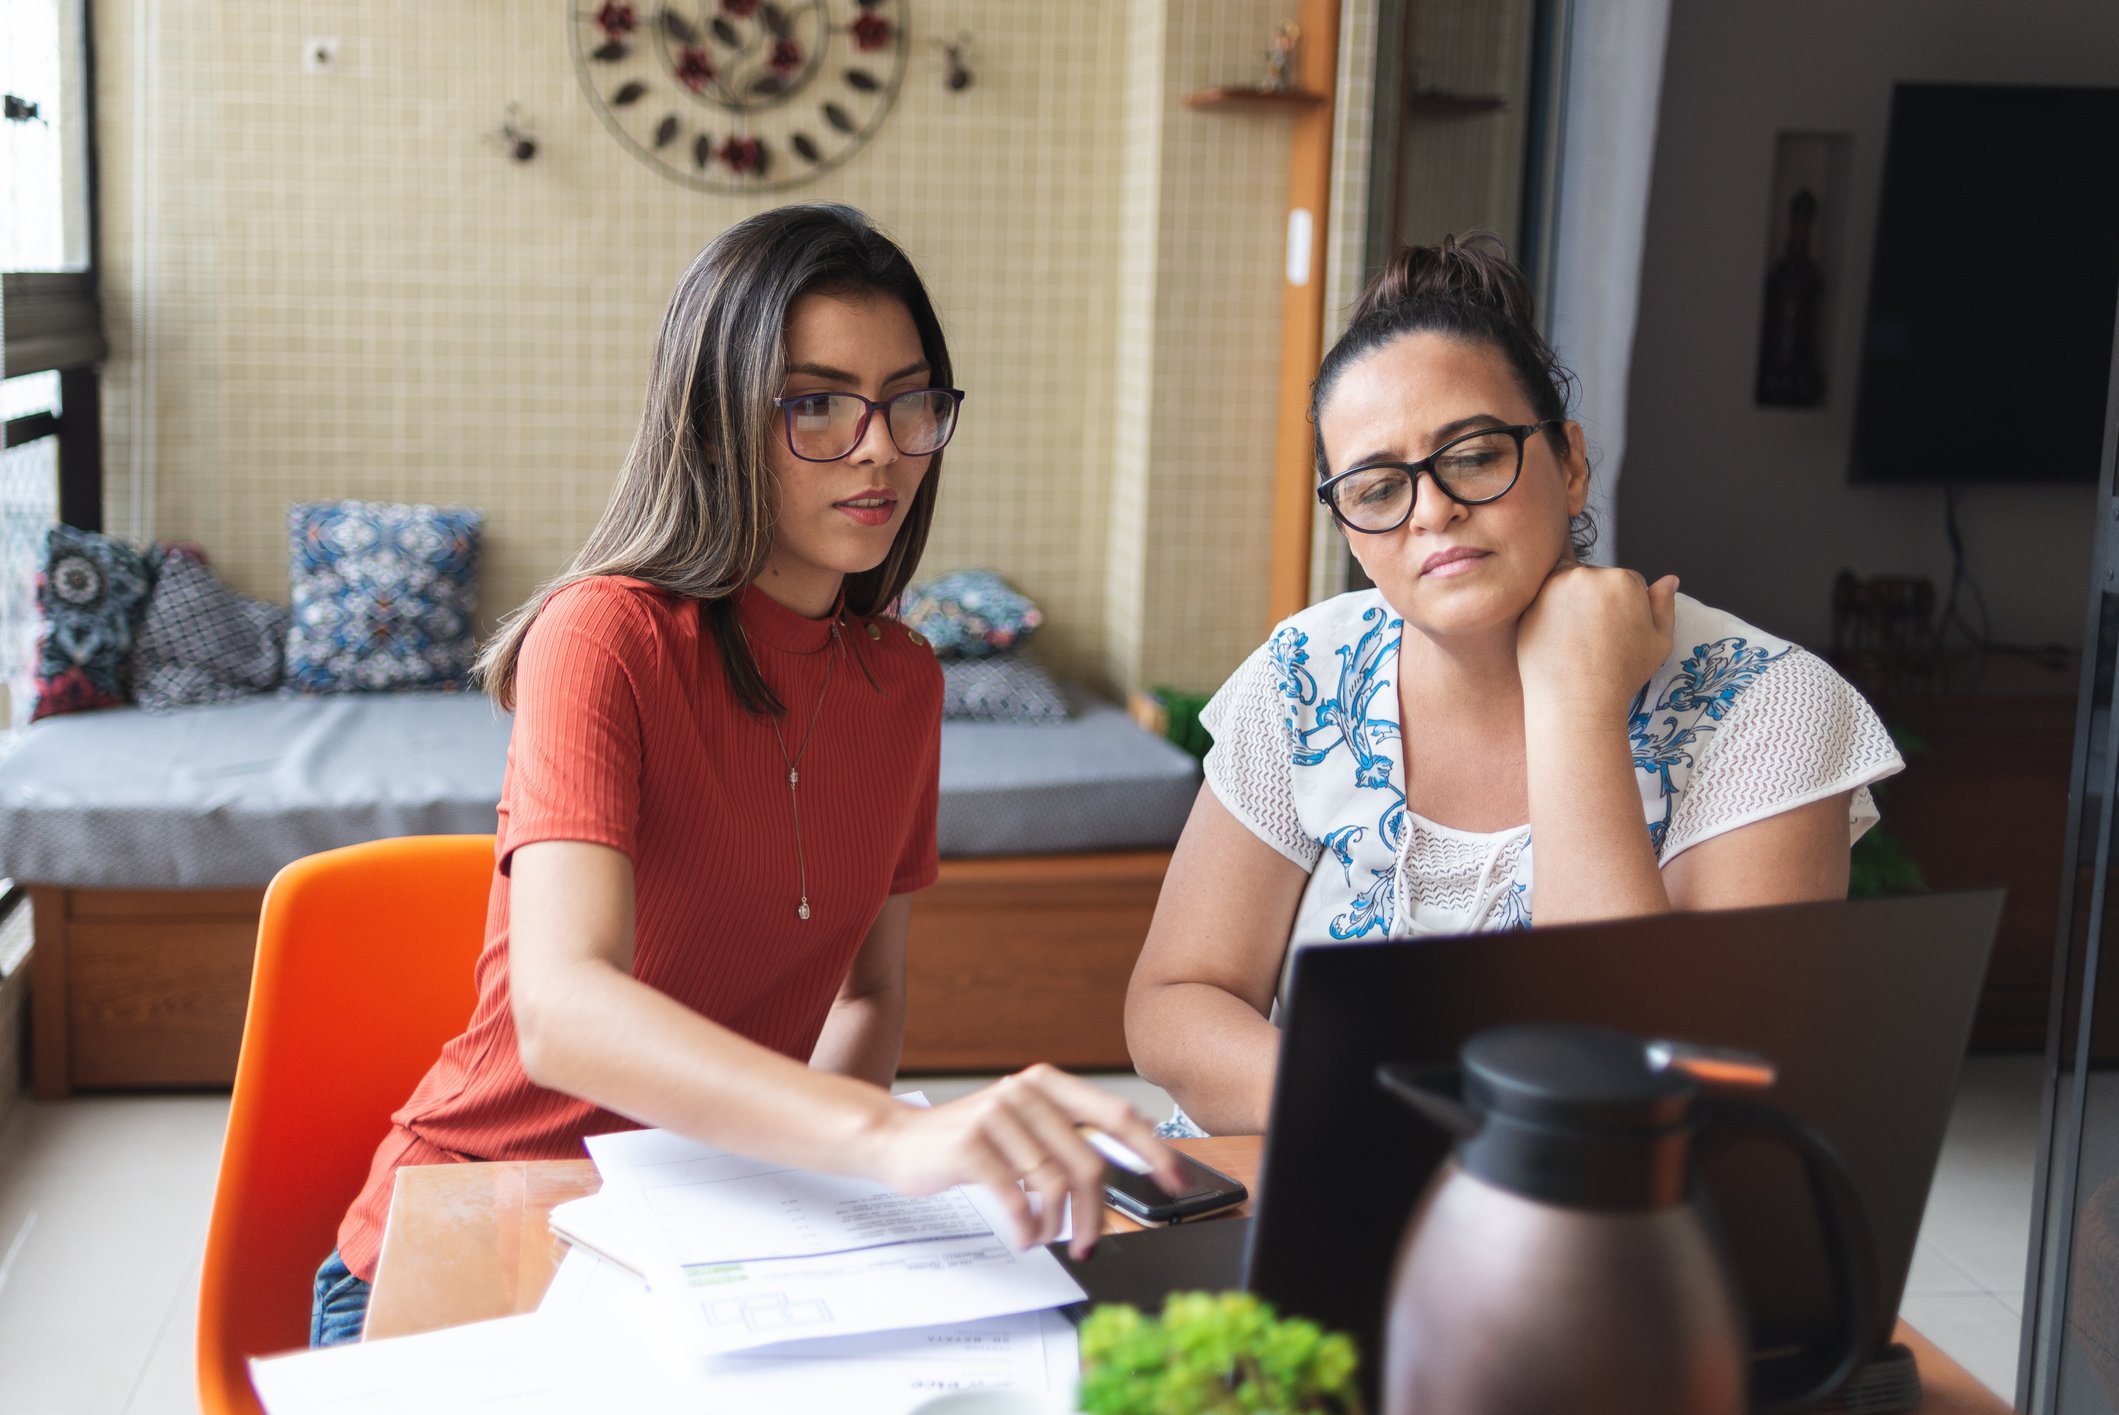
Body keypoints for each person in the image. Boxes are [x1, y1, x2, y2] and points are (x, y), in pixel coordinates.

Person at [315, 204, 1182, 1347]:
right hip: (477, 1229)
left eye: (909, 401)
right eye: (816, 403)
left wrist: (822, 1184)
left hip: (702, 1237)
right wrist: (885, 1139)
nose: (879, 447)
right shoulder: (602, 636)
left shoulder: (905, 680)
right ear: (717, 421)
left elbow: (868, 992)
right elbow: (564, 1009)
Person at [1125, 232, 1905, 1139]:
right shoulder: (1307, 673)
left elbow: (1647, 1101)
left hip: (1597, 1249)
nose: (1432, 509)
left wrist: (1576, 706)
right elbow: (1175, 1002)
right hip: (1308, 1182)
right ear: (1349, 525)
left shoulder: (1763, 706)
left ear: (1569, 463)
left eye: (1474, 453)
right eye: (1378, 487)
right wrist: (1394, 1116)